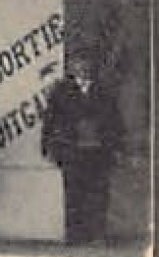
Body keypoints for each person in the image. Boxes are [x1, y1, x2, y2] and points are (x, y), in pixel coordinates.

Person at [42, 51, 124, 244]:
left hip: (98, 151)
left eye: (86, 62)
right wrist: (47, 145)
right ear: (71, 67)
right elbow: (50, 120)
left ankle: (98, 234)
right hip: (72, 150)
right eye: (77, 63)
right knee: (73, 193)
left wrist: (117, 147)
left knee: (99, 193)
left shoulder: (104, 91)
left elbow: (115, 121)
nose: (82, 67)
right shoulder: (60, 91)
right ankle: (75, 235)